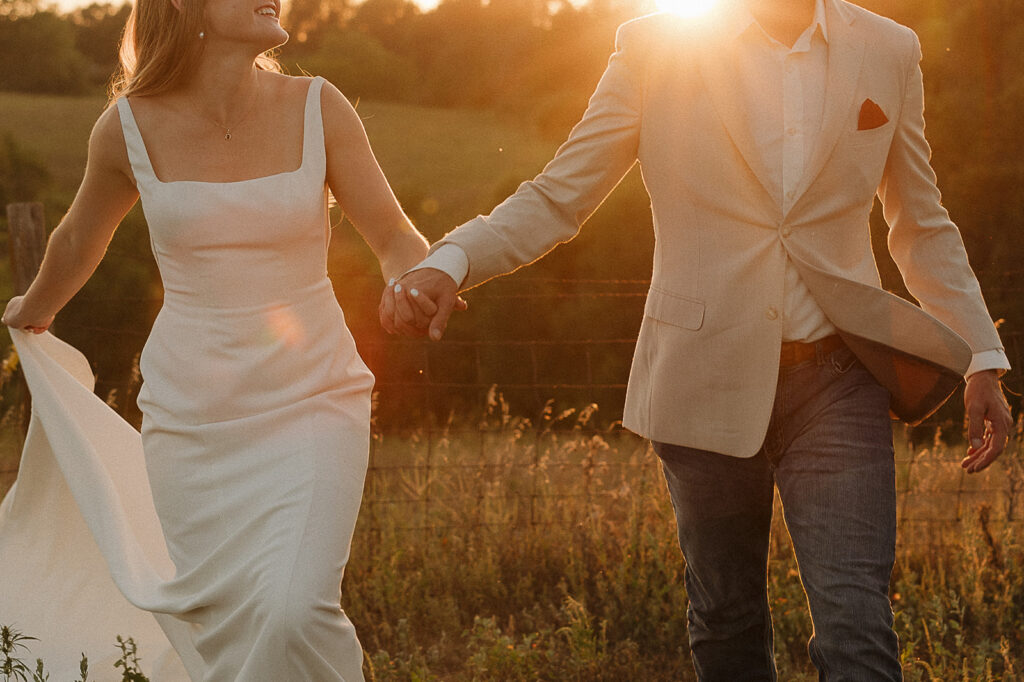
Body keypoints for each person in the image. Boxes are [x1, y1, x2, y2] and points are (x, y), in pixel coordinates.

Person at [381, 0, 1014, 678]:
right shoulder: (658, 47)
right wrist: (451, 260)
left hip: (838, 376)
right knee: (726, 617)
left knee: (858, 623)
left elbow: (920, 221)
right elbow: (559, 196)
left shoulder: (889, 49)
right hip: (702, 370)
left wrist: (980, 358)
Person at [0, 0, 438, 677]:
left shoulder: (320, 106)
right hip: (192, 421)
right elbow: (78, 237)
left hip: (314, 398)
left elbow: (393, 235)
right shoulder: (126, 128)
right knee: (227, 621)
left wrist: (414, 278)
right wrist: (33, 308)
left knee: (294, 609)